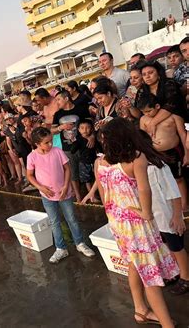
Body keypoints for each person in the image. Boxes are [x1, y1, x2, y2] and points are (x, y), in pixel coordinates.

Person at [95, 118, 178, 327]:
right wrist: (147, 213)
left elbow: (105, 197)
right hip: (136, 224)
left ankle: (140, 310)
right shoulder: (136, 159)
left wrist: (116, 213)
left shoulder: (101, 162)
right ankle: (167, 324)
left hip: (117, 222)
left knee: (135, 264)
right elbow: (144, 189)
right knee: (150, 273)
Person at [26, 127, 95, 264]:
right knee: (54, 222)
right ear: (37, 144)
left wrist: (65, 186)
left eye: (51, 141)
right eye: (46, 143)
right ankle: (60, 248)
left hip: (64, 193)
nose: (50, 144)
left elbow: (67, 169)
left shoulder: (57, 151)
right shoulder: (32, 156)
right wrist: (41, 188)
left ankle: (80, 243)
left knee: (72, 219)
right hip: (47, 196)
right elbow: (29, 175)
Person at [139, 131, 188, 296]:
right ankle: (175, 272)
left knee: (177, 248)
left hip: (168, 217)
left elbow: (174, 193)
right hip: (156, 218)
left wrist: (177, 216)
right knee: (166, 246)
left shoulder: (160, 166)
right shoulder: (142, 167)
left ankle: (186, 278)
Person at [137, 92, 188, 212]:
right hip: (155, 153)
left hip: (173, 151)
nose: (147, 114)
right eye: (144, 112)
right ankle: (168, 205)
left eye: (149, 111)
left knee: (178, 178)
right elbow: (143, 138)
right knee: (160, 179)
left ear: (157, 106)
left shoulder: (173, 117)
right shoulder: (143, 119)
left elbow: (182, 135)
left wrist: (187, 154)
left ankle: (184, 205)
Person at [51, 90, 91, 201]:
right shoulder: (58, 114)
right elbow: (52, 131)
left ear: (66, 98)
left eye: (59, 99)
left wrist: (91, 137)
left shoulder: (81, 109)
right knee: (73, 172)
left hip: (83, 145)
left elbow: (90, 125)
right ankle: (78, 195)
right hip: (67, 147)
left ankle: (91, 194)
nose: (57, 102)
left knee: (87, 169)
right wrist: (61, 128)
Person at [70, 119, 99, 202]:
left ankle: (95, 194)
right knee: (87, 180)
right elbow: (73, 150)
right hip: (84, 162)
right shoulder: (78, 139)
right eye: (82, 128)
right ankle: (92, 195)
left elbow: (98, 148)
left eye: (87, 128)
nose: (85, 130)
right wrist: (73, 142)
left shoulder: (94, 138)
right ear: (78, 130)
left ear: (92, 129)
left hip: (94, 161)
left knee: (95, 178)